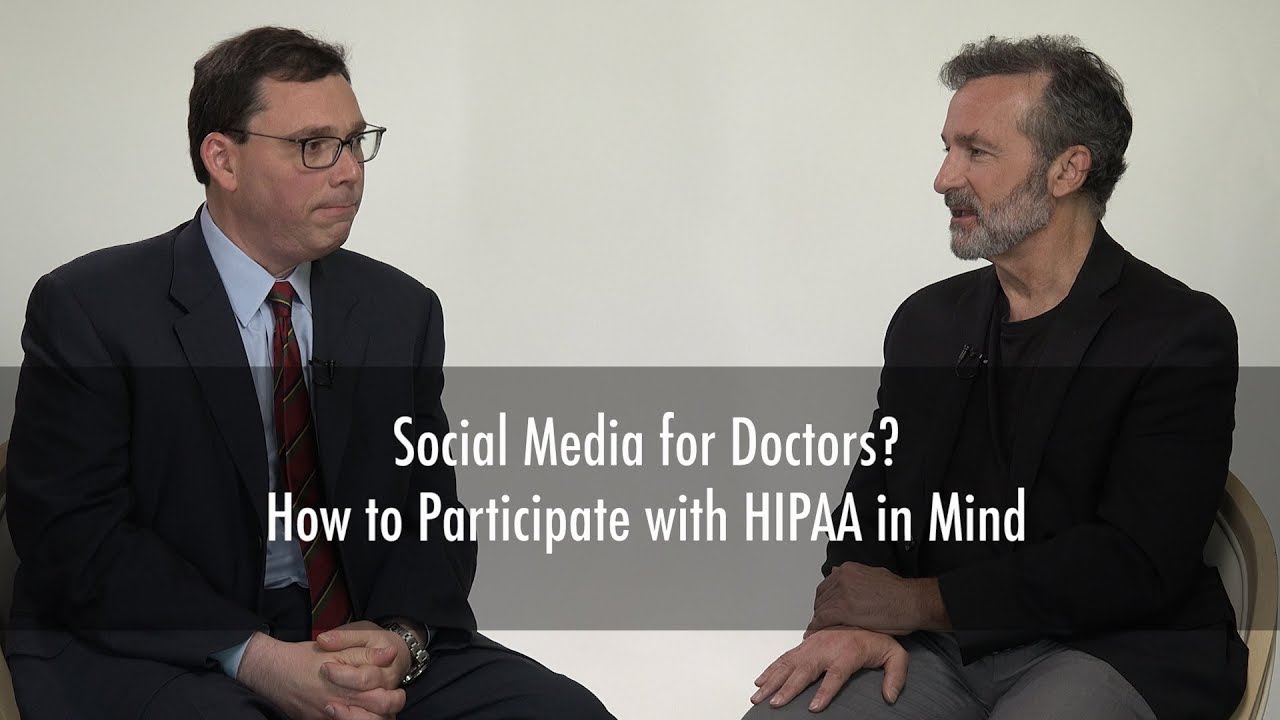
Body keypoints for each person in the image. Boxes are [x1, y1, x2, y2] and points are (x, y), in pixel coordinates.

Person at [4, 26, 613, 720]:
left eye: (355, 142)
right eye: (314, 146)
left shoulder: (400, 311)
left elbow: (432, 513)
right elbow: (73, 537)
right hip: (158, 640)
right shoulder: (91, 308)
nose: (349, 171)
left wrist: (401, 640)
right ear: (223, 159)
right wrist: (256, 656)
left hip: (351, 632)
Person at [746, 35, 1245, 720]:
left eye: (976, 152)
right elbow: (876, 496)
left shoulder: (1181, 333)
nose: (943, 178)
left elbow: (1136, 562)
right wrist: (855, 616)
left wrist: (918, 602)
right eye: (947, 148)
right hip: (938, 648)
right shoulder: (927, 321)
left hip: (1115, 648)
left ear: (1067, 169)